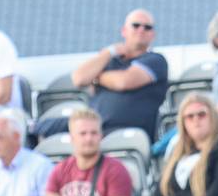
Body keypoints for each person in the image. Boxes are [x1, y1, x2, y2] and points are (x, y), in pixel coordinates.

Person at [68, 9, 168, 140]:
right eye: (136, 25)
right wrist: (109, 52)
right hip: (93, 133)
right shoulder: (108, 60)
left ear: (152, 35)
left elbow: (124, 82)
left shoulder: (156, 60)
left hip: (129, 134)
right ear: (124, 31)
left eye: (147, 27)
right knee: (48, 127)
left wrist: (97, 77)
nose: (141, 30)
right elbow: (79, 78)